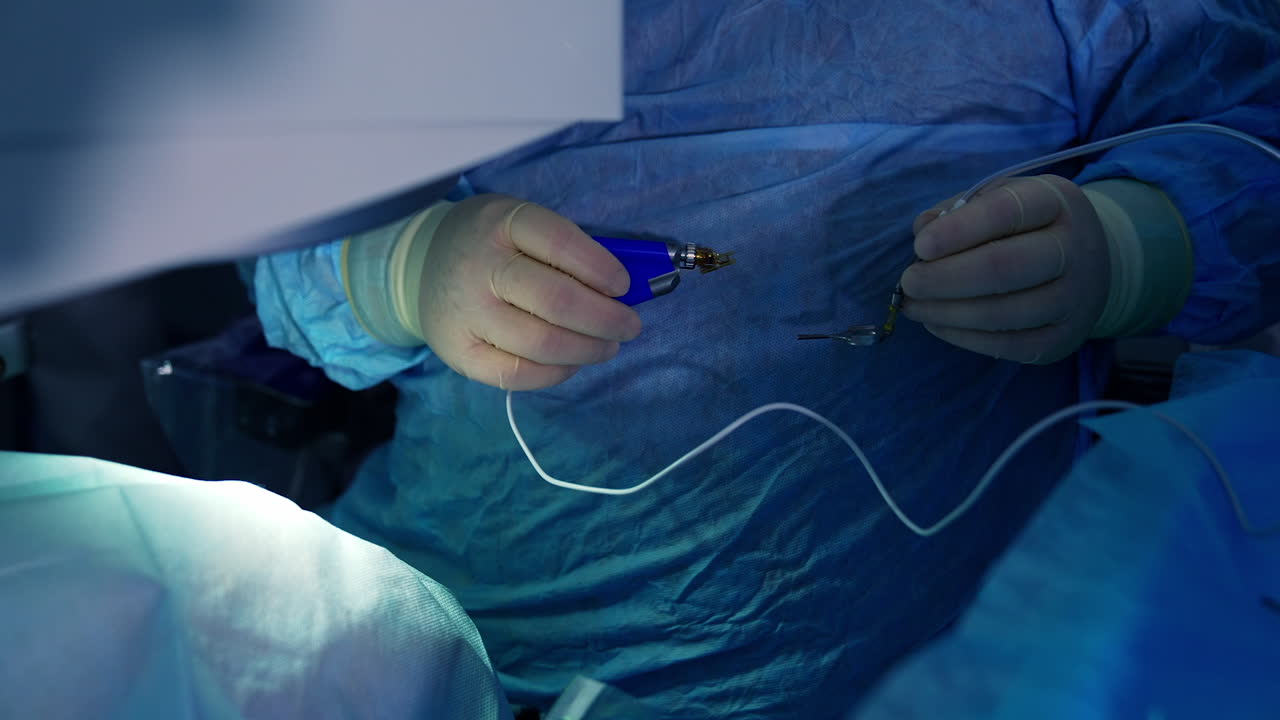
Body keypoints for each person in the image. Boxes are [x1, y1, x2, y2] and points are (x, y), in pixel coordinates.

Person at [250, 1, 1280, 717]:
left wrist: (1127, 247)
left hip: (957, 664)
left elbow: (1250, 151)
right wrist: (405, 269)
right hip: (487, 658)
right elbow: (272, 249)